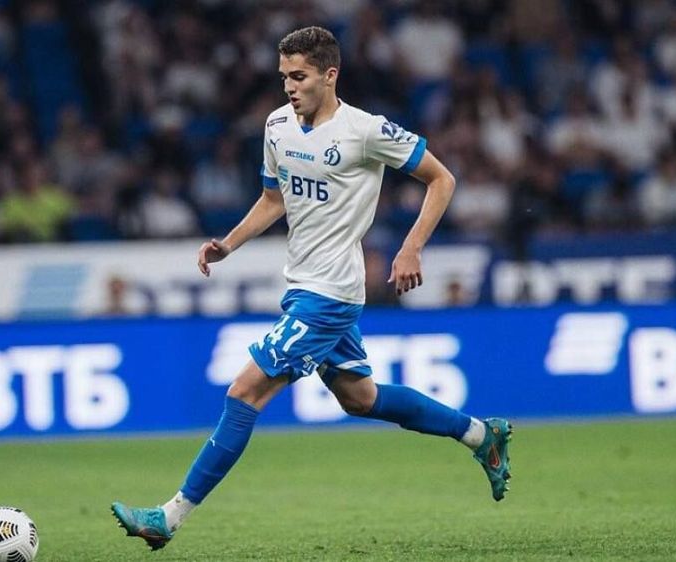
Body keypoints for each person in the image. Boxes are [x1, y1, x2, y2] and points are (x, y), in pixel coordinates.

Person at [111, 27, 512, 551]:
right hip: (302, 284)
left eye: (298, 76)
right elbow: (273, 199)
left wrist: (411, 247)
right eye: (283, 77)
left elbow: (442, 179)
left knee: (244, 391)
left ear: (329, 75)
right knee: (361, 398)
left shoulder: (366, 130)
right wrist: (228, 244)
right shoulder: (277, 125)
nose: (289, 87)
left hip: (331, 293)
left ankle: (169, 516)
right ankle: (482, 435)